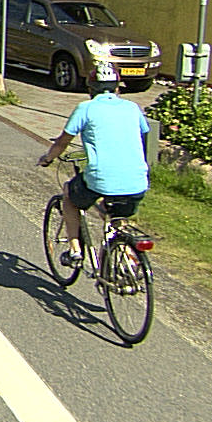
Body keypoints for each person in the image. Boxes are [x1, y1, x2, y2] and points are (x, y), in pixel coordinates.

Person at [37, 60, 150, 267]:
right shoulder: (133, 108)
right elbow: (143, 135)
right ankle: (127, 259)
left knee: (69, 194)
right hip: (138, 180)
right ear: (117, 87)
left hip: (101, 178)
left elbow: (62, 142)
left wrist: (48, 158)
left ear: (90, 89)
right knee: (116, 215)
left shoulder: (86, 108)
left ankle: (75, 251)